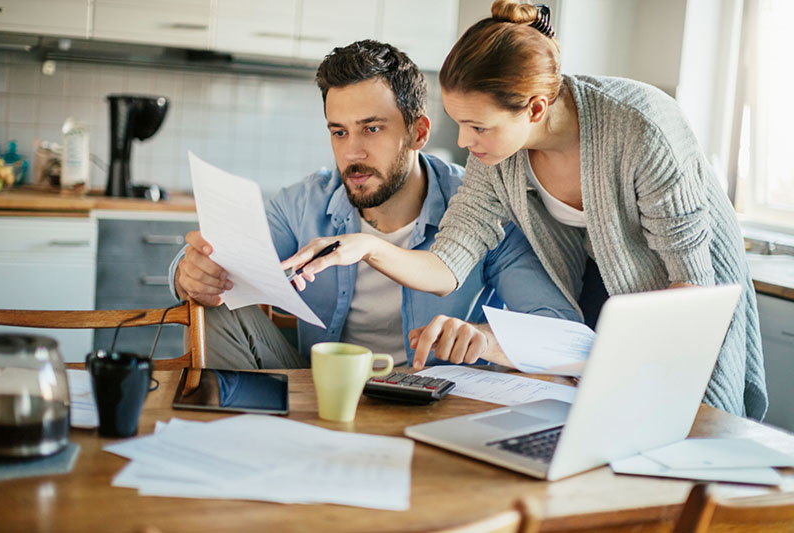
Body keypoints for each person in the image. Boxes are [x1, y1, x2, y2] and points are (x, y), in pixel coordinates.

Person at [283, 3, 767, 420]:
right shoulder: (496, 157)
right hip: (599, 293)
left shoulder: (641, 129)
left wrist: (626, 364)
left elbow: (691, 289)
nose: (466, 144)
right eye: (459, 125)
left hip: (679, 293)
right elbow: (448, 262)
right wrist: (368, 248)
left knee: (686, 430)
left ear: (535, 110)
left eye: (477, 127)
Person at [170, 39, 579, 371]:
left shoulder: (483, 208)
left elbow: (559, 329)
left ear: (418, 133)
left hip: (435, 399)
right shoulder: (302, 202)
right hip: (320, 388)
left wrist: (484, 337)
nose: (352, 152)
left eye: (372, 128)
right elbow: (221, 266)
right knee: (213, 308)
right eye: (339, 132)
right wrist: (189, 274)